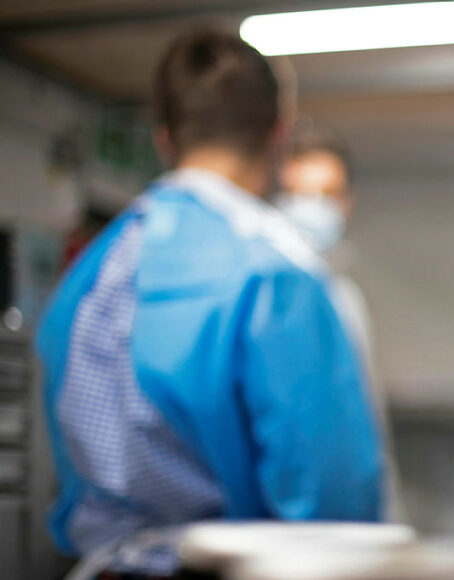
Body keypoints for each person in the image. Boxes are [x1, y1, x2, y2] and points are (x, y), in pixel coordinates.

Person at [35, 31, 382, 575]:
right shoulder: (277, 276)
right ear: (279, 133)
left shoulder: (86, 276)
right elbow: (330, 507)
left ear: (164, 138)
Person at [276, 127, 403, 521]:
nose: (314, 208)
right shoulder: (264, 298)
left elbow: (367, 422)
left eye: (328, 194)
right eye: (300, 194)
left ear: (346, 202)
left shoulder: (345, 299)